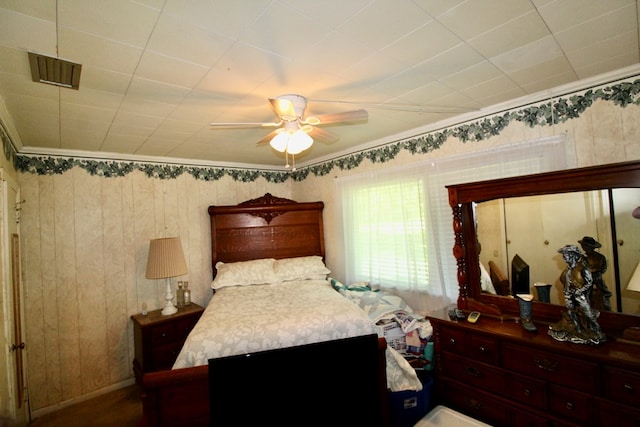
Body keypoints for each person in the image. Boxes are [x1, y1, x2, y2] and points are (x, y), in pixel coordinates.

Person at [551, 244, 605, 344]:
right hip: (569, 295)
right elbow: (564, 280)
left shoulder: (582, 268)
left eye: (566, 255)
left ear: (573, 255)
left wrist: (580, 291)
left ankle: (597, 332)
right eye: (564, 255)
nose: (564, 257)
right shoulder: (567, 270)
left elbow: (589, 283)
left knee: (588, 314)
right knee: (571, 312)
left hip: (580, 296)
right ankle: (578, 330)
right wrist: (566, 291)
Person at [578, 236, 612, 311]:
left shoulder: (588, 257)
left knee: (602, 292)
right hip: (591, 277)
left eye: (584, 246)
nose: (583, 247)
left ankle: (605, 308)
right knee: (587, 293)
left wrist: (596, 273)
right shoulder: (584, 257)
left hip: (594, 277)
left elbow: (603, 267)